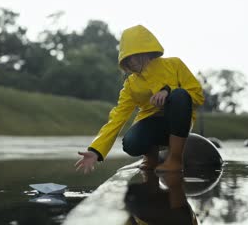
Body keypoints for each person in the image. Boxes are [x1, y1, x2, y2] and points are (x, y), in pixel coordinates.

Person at [75, 25, 204, 173]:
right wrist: (95, 151)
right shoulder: (130, 85)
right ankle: (151, 158)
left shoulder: (174, 64)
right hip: (152, 125)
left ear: (145, 51)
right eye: (126, 58)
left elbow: (197, 96)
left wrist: (168, 91)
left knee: (180, 95)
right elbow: (117, 118)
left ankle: (175, 160)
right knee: (131, 142)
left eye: (133, 56)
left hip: (179, 123)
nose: (130, 62)